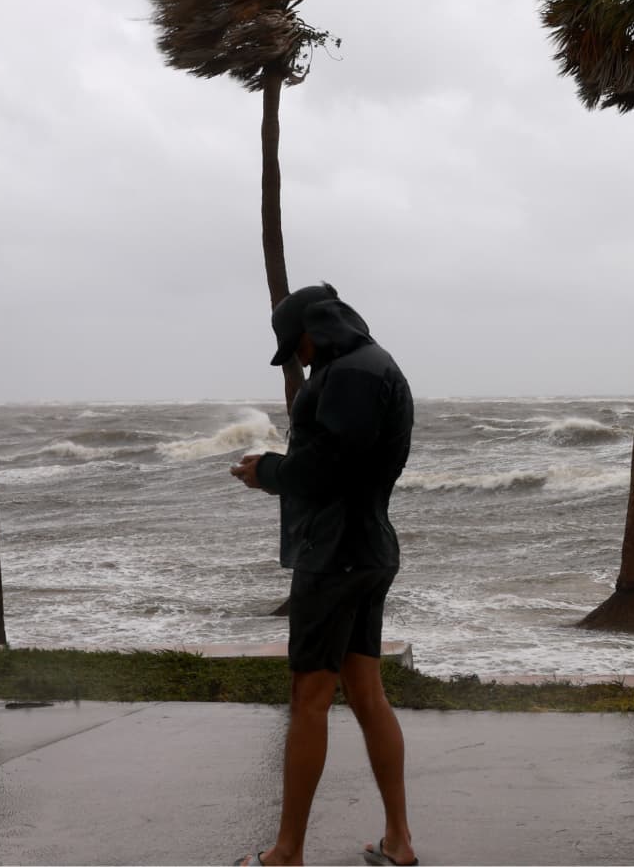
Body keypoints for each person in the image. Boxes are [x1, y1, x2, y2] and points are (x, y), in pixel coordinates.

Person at [229, 283, 418, 867]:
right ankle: (398, 842)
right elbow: (349, 461)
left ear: (316, 327)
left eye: (297, 346)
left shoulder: (351, 375)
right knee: (365, 692)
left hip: (335, 555)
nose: (298, 357)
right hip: (367, 549)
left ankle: (286, 853)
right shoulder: (372, 365)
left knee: (309, 697)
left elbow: (331, 466)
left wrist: (268, 471)